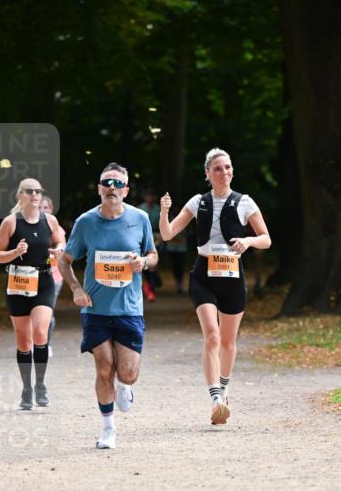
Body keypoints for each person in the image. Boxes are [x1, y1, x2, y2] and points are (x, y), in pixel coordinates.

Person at [159, 147, 271, 425]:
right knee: (212, 336)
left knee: (228, 342)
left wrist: (248, 241)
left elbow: (266, 238)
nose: (225, 172)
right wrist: (164, 213)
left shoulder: (244, 202)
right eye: (218, 168)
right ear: (208, 174)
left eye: (228, 167)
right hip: (204, 275)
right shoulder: (198, 202)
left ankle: (224, 388)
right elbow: (168, 233)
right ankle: (215, 399)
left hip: (233, 276)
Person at [58, 162, 158, 450]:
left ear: (125, 190)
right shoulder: (85, 222)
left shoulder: (139, 219)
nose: (111, 188)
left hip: (129, 309)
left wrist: (144, 262)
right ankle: (108, 429)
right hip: (96, 310)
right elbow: (65, 261)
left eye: (117, 184)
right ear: (99, 188)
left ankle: (125, 387)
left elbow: (152, 254)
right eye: (107, 183)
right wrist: (76, 288)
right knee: (104, 368)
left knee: (126, 372)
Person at [0, 178, 66, 410]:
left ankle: (41, 385)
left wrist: (59, 250)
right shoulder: (10, 223)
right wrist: (15, 251)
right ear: (20, 195)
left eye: (38, 191)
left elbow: (61, 241)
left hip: (44, 281)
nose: (35, 195)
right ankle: (26, 389)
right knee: (24, 341)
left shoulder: (50, 221)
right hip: (18, 284)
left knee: (40, 332)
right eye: (29, 191)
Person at [39, 195, 67, 356]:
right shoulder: (28, 226)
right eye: (40, 207)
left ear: (51, 210)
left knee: (47, 311)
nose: (43, 211)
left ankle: (46, 344)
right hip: (32, 276)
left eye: (46, 208)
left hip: (53, 276)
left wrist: (58, 250)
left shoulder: (57, 228)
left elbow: (62, 248)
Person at [138, 189, 161, 301]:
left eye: (152, 195)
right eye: (148, 195)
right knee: (147, 266)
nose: (150, 198)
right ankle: (149, 290)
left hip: (157, 237)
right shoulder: (140, 208)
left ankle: (151, 288)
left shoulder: (158, 209)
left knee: (154, 266)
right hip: (142, 238)